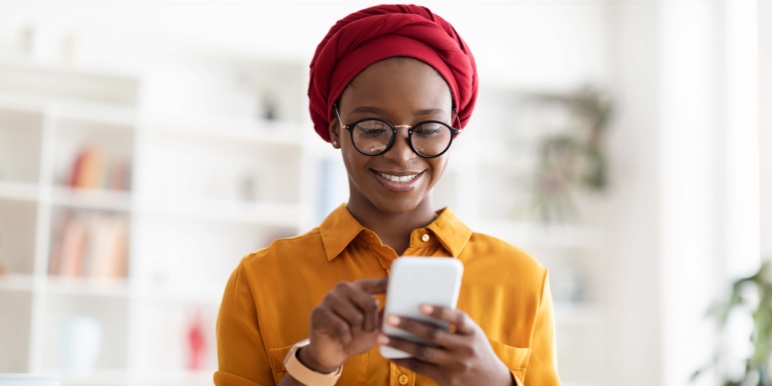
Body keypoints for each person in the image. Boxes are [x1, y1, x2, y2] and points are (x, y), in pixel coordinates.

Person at [215, 4, 560, 386]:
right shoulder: (259, 281)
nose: (402, 153)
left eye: (428, 128)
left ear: (453, 131)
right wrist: (314, 365)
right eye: (374, 127)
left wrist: (497, 381)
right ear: (334, 129)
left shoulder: (523, 282)